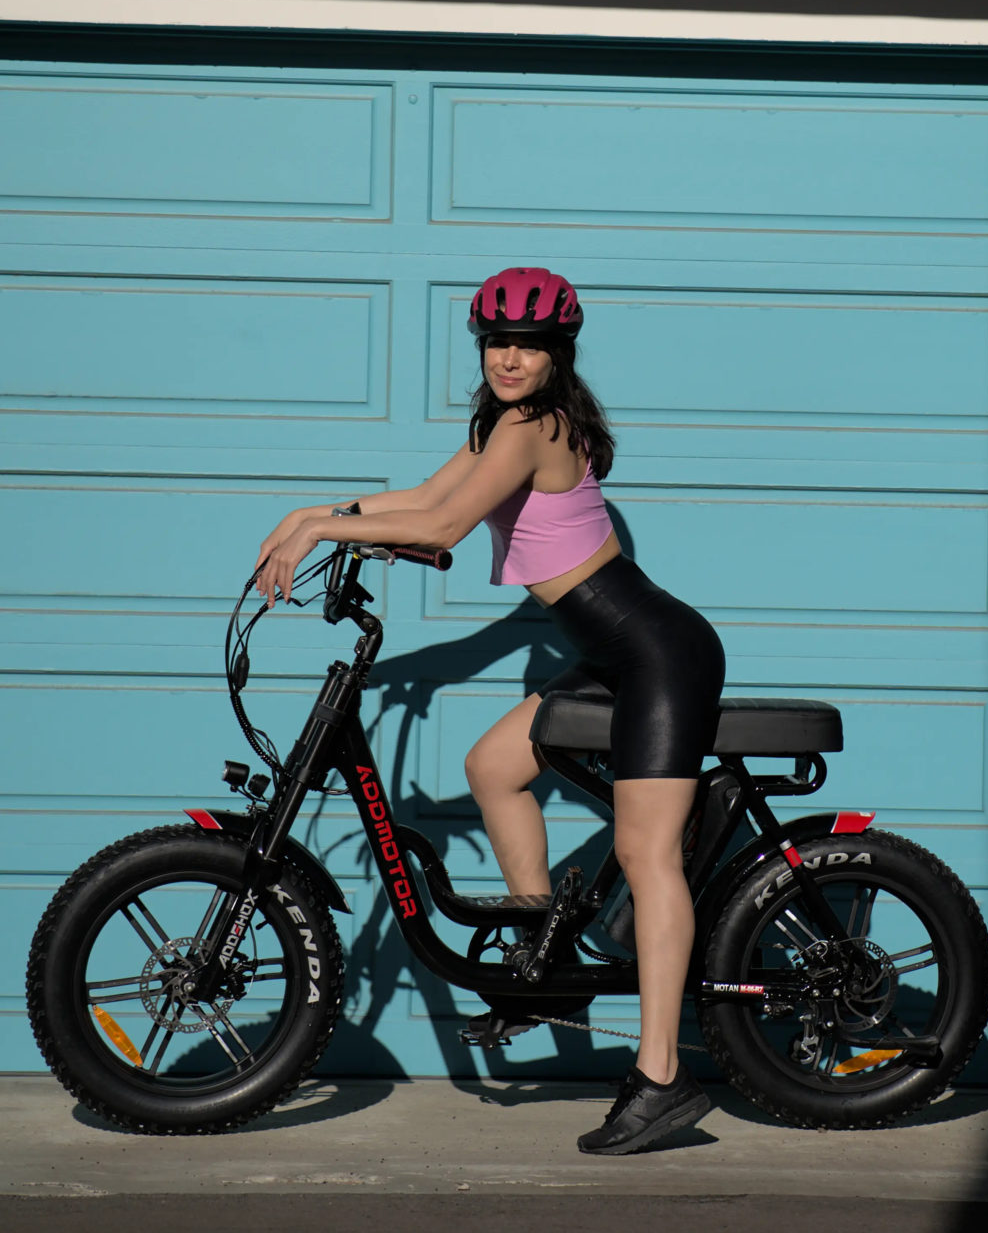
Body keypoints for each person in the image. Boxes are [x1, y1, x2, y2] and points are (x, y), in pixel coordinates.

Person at [251, 266, 724, 1157]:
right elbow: (425, 497)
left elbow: (439, 531)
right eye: (497, 342)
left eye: (530, 345)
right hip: (615, 655)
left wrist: (321, 529)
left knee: (644, 851)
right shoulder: (504, 422)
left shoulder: (540, 425)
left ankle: (662, 1077)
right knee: (493, 766)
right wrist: (321, 509)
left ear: (559, 354)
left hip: (661, 654)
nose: (510, 357)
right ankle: (540, 963)